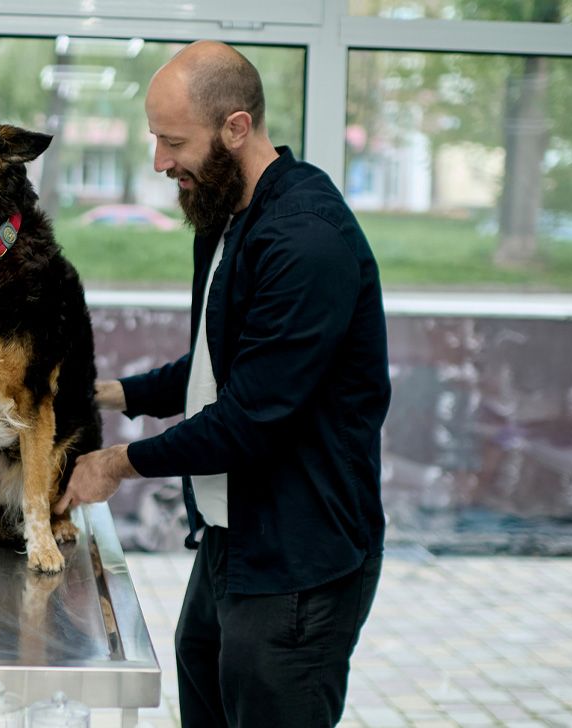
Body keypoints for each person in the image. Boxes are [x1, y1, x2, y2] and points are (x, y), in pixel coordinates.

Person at [55, 41, 391, 726]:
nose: (159, 162)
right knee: (202, 680)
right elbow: (219, 366)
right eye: (155, 138)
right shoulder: (229, 215)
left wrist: (116, 463)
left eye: (173, 140)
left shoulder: (303, 239)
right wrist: (112, 393)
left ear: (236, 128)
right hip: (231, 541)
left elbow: (251, 418)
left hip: (299, 560)